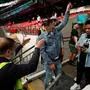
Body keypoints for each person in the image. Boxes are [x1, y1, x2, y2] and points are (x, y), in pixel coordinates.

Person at [37, 2, 72, 88]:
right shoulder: (41, 37)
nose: (46, 28)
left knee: (58, 75)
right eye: (44, 26)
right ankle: (46, 88)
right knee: (48, 78)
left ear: (51, 25)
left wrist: (67, 10)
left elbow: (64, 22)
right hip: (49, 61)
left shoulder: (56, 30)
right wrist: (50, 63)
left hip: (57, 60)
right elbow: (43, 53)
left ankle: (55, 86)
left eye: (47, 26)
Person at [70, 19, 90, 90]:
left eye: (89, 28)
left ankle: (88, 85)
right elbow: (77, 44)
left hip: (88, 62)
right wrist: (77, 46)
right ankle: (77, 84)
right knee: (79, 73)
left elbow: (87, 50)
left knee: (88, 75)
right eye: (86, 28)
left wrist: (87, 50)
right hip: (80, 58)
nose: (87, 30)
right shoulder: (83, 35)